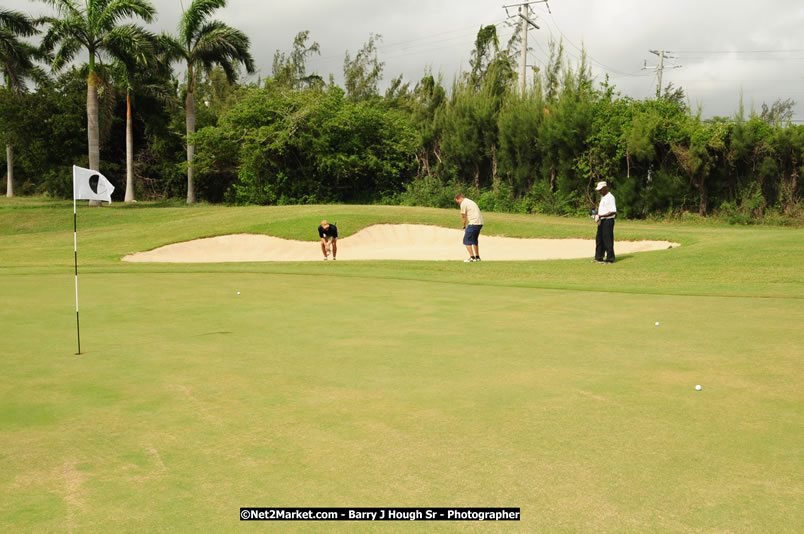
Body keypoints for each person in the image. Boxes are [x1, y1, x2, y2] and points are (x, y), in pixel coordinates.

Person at [454, 193, 484, 262]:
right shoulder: (469, 201)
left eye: (458, 201)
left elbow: (463, 217)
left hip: (474, 222)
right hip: (480, 223)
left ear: (459, 198)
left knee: (466, 240)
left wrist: (464, 226)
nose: (458, 203)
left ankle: (472, 257)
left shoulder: (463, 203)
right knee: (474, 240)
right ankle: (477, 257)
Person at [593, 181, 616, 263]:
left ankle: (610, 258)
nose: (599, 192)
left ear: (604, 188)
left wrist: (601, 216)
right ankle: (598, 257)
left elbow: (613, 211)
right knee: (599, 239)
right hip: (601, 221)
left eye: (600, 190)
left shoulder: (610, 197)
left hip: (608, 221)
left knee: (607, 240)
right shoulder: (603, 197)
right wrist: (597, 215)